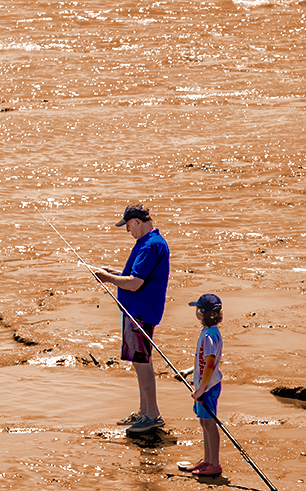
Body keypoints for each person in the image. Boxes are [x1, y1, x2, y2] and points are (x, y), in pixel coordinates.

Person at [92, 202, 171, 435]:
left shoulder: (150, 245)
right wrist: (115, 274)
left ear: (137, 222)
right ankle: (144, 410)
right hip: (138, 311)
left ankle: (152, 415)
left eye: (128, 226)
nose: (127, 231)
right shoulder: (148, 243)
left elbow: (135, 284)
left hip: (141, 312)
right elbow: (136, 276)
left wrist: (107, 278)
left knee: (142, 361)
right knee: (139, 362)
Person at [184, 293, 223, 476]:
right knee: (203, 422)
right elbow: (202, 361)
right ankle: (207, 460)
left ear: (201, 313)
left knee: (209, 424)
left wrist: (201, 389)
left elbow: (209, 363)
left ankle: (214, 463)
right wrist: (190, 371)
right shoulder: (209, 333)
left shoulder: (209, 335)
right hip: (204, 386)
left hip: (208, 387)